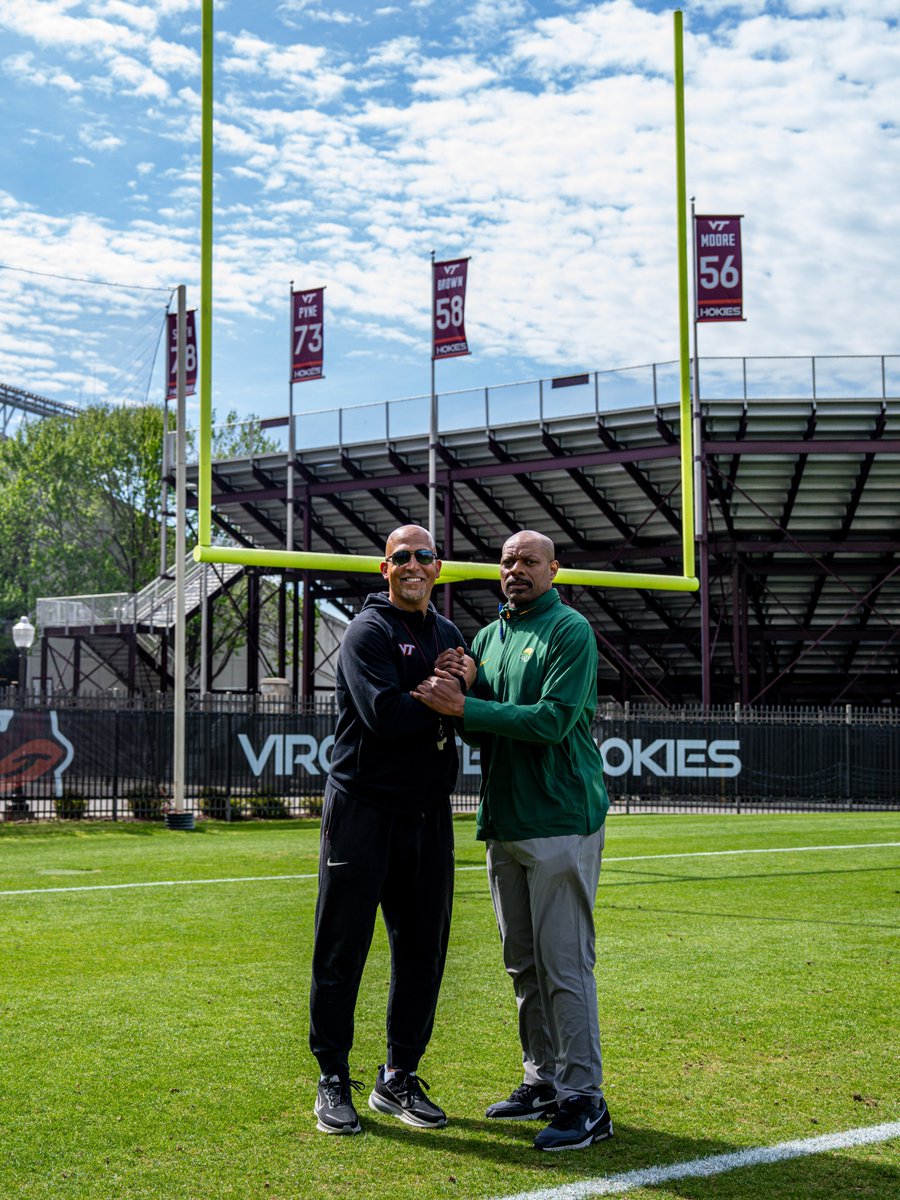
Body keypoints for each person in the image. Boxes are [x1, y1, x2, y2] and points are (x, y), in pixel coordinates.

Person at [411, 530, 612, 1152]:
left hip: (560, 817)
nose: (515, 569)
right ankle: (543, 1079)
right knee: (523, 964)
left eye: (528, 561)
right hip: (506, 819)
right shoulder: (489, 638)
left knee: (563, 962)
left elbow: (552, 722)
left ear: (554, 569)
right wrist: (461, 701)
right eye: (507, 561)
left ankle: (586, 1099)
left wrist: (464, 707)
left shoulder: (570, 630)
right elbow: (486, 735)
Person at [308, 524, 467, 1136]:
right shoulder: (366, 630)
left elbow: (459, 702)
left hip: (427, 813)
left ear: (437, 566)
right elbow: (385, 716)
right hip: (363, 811)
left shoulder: (448, 632)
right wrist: (441, 691)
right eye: (401, 557)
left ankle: (398, 1075)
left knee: (424, 951)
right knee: (342, 947)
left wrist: (460, 682)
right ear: (385, 568)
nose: (413, 565)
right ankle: (332, 1076)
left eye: (423, 556)